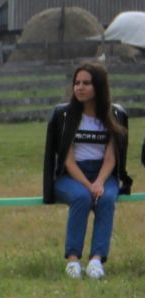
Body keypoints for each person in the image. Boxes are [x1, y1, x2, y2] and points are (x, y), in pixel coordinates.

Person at [42, 61, 132, 279]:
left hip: (103, 173)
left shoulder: (114, 116)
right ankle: (73, 261)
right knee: (82, 197)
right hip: (71, 175)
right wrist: (88, 185)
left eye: (86, 83)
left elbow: (111, 158)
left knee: (106, 200)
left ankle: (96, 260)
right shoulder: (65, 116)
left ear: (99, 87)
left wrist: (100, 182)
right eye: (77, 83)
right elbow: (68, 161)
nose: (80, 88)